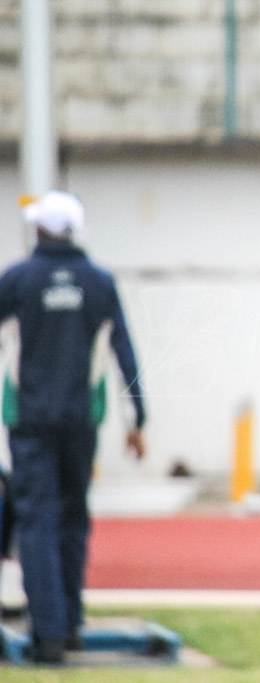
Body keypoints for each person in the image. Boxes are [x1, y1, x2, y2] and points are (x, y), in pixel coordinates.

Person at [0, 190, 146, 664]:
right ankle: (72, 621)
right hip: (82, 419)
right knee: (73, 517)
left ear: (37, 229)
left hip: (29, 420)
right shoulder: (99, 283)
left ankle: (50, 634)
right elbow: (124, 352)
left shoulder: (18, 281)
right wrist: (137, 419)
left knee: (37, 520)